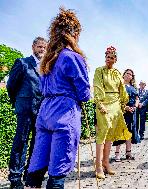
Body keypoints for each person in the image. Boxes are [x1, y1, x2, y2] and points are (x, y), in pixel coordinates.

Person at [24, 8, 90, 189]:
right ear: (74, 33)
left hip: (45, 113)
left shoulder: (48, 59)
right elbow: (84, 92)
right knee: (58, 169)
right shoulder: (72, 57)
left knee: (37, 165)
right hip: (64, 113)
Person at [6, 36, 47, 189]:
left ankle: (29, 175)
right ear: (33, 47)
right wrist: (18, 101)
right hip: (24, 110)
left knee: (36, 144)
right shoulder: (22, 63)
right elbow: (11, 86)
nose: (42, 50)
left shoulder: (46, 68)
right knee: (20, 142)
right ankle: (15, 177)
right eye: (39, 47)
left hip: (41, 112)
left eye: (44, 47)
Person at [93, 46, 132, 179]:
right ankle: (98, 166)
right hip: (104, 103)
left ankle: (106, 163)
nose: (109, 59)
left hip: (116, 105)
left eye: (112, 57)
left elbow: (123, 90)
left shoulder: (117, 73)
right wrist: (99, 103)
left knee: (110, 136)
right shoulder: (99, 71)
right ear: (105, 57)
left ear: (115, 59)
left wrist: (123, 104)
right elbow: (97, 87)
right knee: (102, 134)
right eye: (107, 57)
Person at [113, 69, 140, 161]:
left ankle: (128, 152)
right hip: (122, 111)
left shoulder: (133, 87)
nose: (129, 75)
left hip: (132, 112)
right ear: (123, 75)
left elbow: (137, 98)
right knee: (120, 132)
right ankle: (117, 154)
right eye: (128, 73)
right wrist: (125, 107)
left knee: (130, 131)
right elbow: (116, 99)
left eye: (131, 75)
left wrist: (135, 107)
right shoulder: (119, 85)